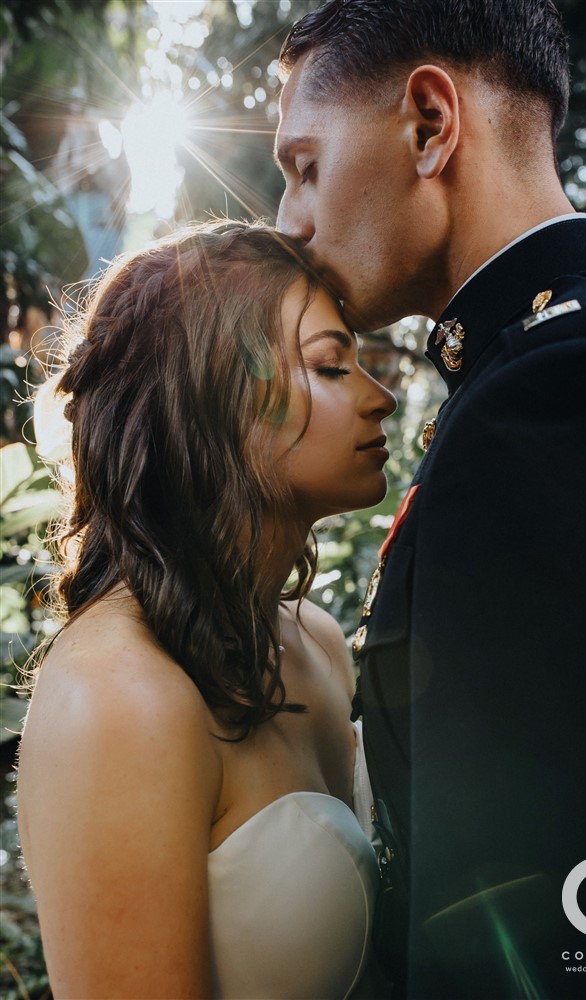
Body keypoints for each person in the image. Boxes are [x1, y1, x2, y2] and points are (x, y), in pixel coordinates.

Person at [275, 2, 586, 997]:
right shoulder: (544, 362)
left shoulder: (571, 389)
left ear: (430, 124)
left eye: (306, 166)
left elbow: (578, 916)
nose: (291, 221)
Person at [17, 220, 396, 999]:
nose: (381, 397)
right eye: (331, 365)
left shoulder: (315, 642)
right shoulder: (118, 697)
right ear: (217, 398)